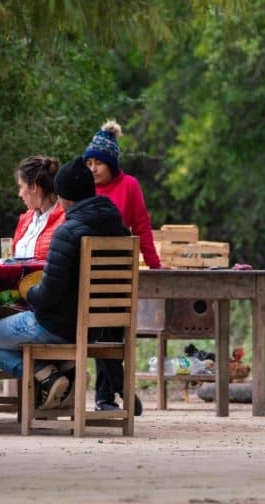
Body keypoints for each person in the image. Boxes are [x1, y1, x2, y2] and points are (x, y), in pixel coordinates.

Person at [0, 157, 130, 409]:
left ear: (65, 196)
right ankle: (64, 370)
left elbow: (48, 295)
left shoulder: (68, 231)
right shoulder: (120, 232)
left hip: (59, 327)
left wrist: (28, 292)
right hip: (98, 329)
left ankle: (47, 374)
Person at [83, 120, 159, 413]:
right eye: (88, 162)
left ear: (111, 163)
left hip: (120, 272)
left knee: (113, 333)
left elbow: (141, 226)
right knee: (98, 332)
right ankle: (117, 391)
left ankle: (107, 397)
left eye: (98, 163)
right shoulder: (85, 189)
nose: (92, 168)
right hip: (89, 271)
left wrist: (155, 265)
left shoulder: (129, 186)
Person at [12, 156, 65, 260]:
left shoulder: (64, 219)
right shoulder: (26, 219)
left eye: (21, 187)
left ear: (34, 187)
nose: (20, 194)